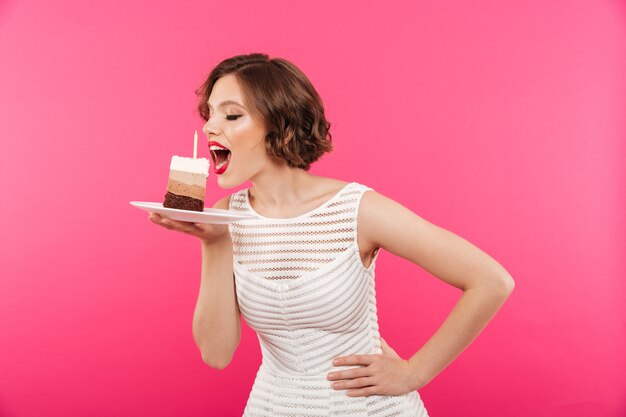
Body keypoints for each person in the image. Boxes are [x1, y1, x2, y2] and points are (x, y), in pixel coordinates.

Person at [148, 53, 514, 417]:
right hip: (270, 406)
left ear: (279, 124)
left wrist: (414, 373)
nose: (210, 127)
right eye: (208, 114)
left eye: (231, 115)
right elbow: (216, 354)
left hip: (369, 410)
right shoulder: (227, 216)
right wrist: (213, 242)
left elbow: (491, 280)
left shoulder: (358, 209)